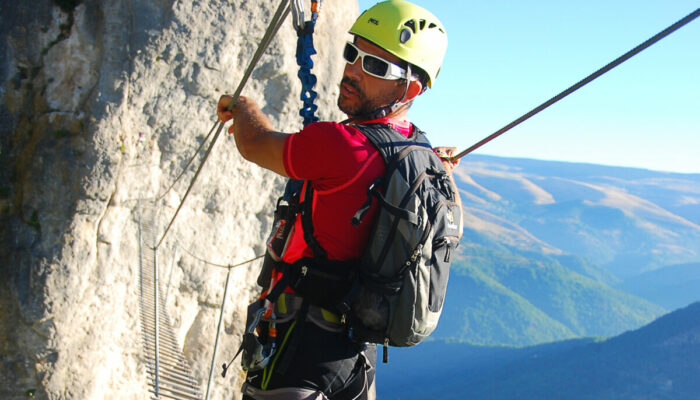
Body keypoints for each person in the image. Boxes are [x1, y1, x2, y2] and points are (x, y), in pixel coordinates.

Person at [217, 1, 460, 399]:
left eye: (376, 66)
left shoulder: (339, 145)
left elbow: (254, 142)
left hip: (299, 351)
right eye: (353, 53)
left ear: (410, 88)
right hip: (355, 357)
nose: (353, 70)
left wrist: (243, 108)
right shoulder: (422, 153)